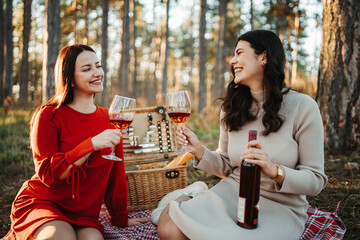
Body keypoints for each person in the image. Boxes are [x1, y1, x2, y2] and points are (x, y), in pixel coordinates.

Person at [154, 30, 328, 240]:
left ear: (263, 57)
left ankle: (194, 197)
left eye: (239, 53)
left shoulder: (303, 106)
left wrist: (274, 170)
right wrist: (199, 151)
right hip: (232, 193)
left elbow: (316, 181)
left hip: (281, 206)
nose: (232, 60)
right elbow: (228, 165)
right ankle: (192, 194)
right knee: (169, 229)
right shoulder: (232, 107)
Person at [4, 44, 150, 240]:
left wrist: (120, 218)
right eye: (87, 69)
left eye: (98, 66)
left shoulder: (111, 117)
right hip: (44, 204)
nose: (97, 73)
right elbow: (48, 174)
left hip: (84, 213)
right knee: (59, 236)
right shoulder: (48, 115)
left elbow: (116, 171)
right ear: (70, 79)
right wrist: (91, 145)